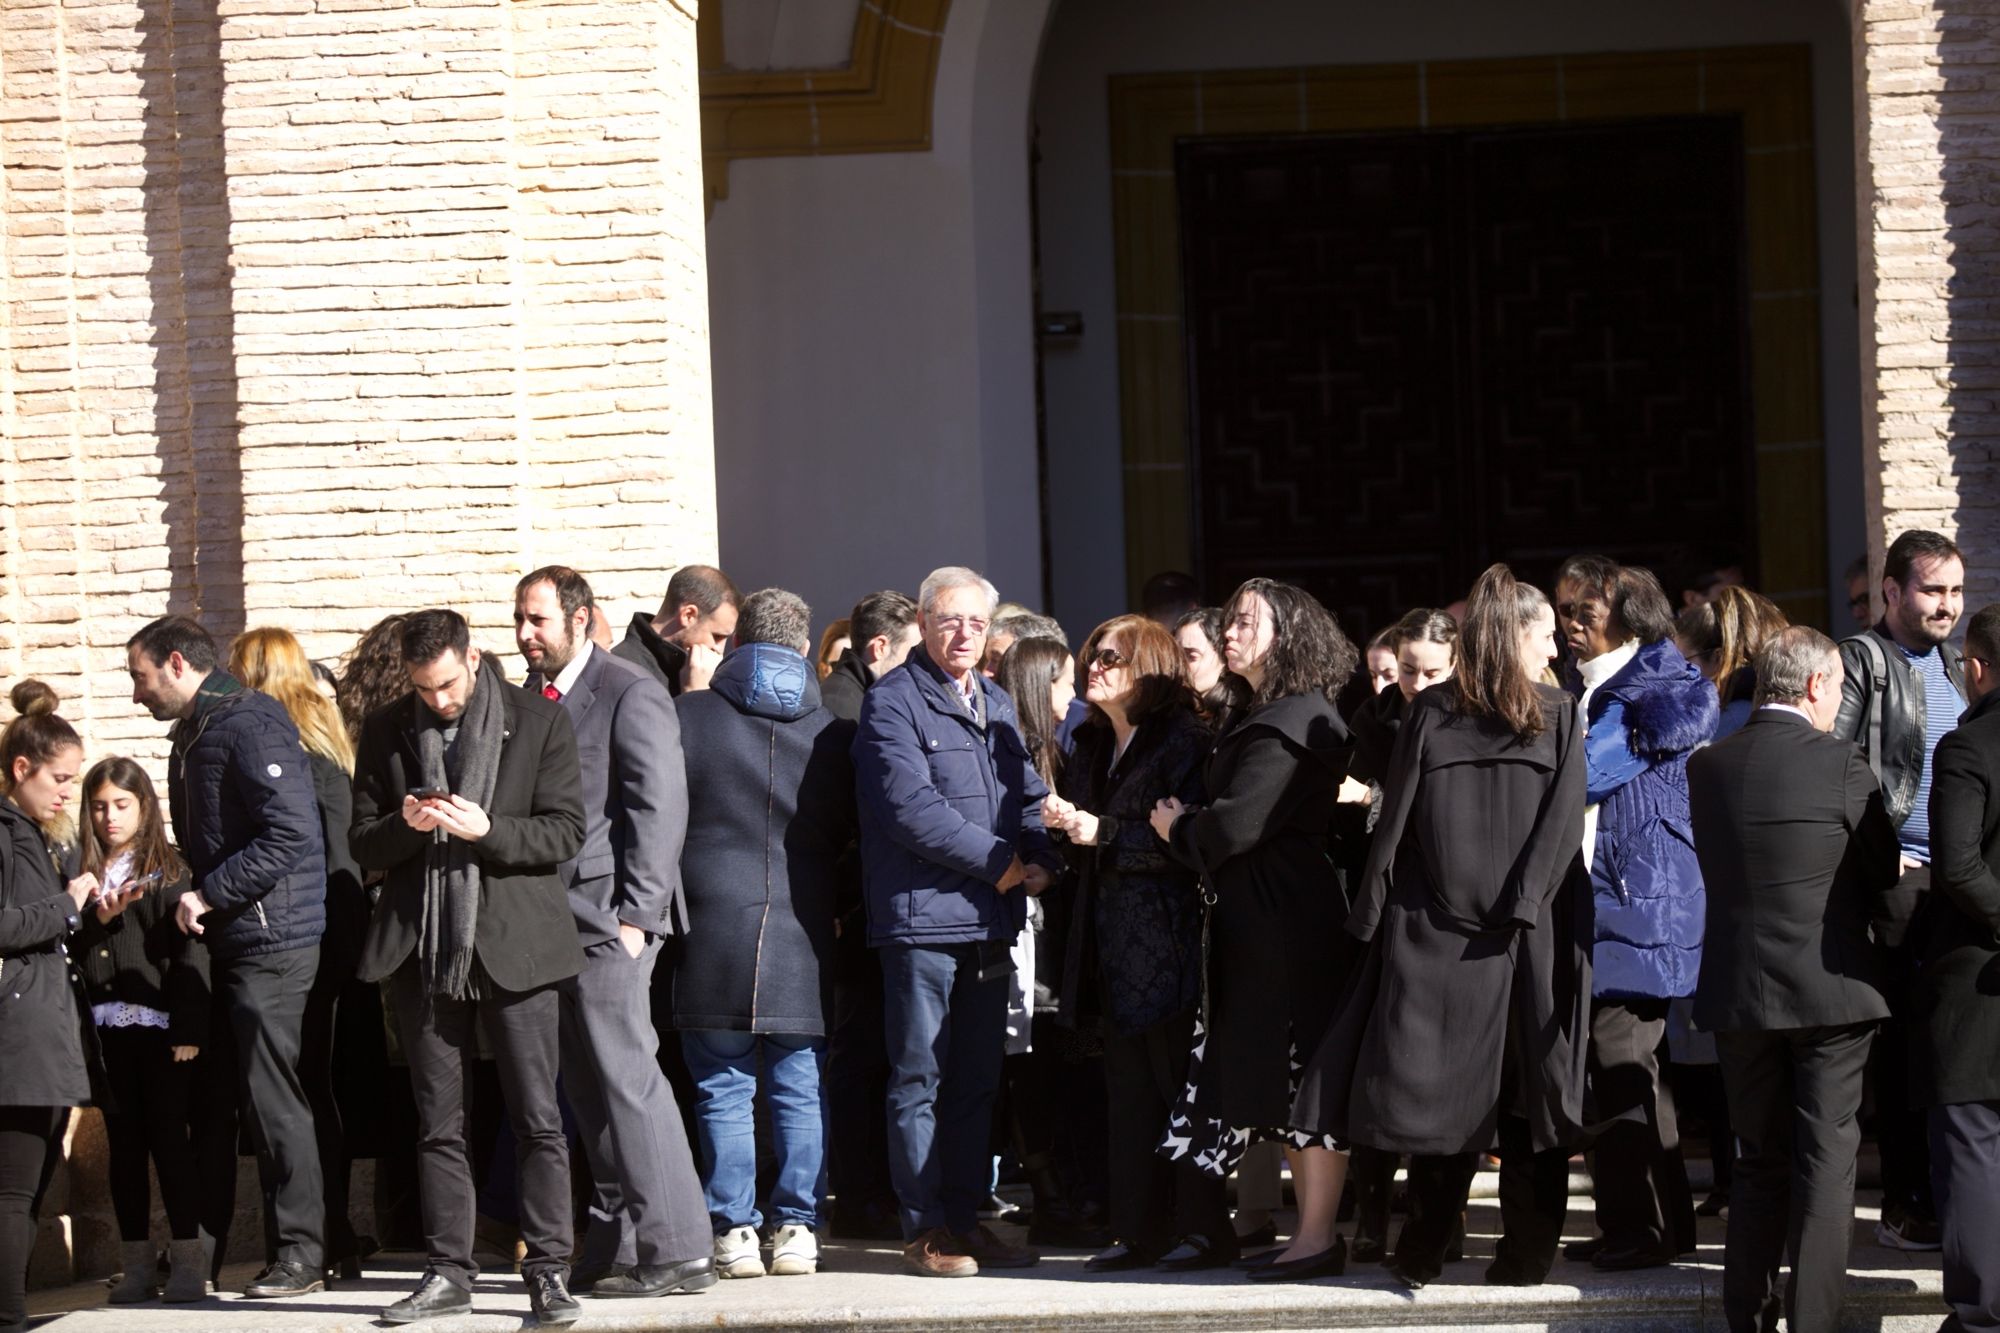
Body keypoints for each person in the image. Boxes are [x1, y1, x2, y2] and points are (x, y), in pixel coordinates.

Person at [1297, 565, 1589, 1290]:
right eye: (1545, 634)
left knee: (1443, 1096)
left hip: (1443, 931)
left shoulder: (1434, 713)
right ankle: (1522, 1258)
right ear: (1516, 635)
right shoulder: (1561, 712)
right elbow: (1560, 833)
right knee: (1528, 1097)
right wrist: (1524, 905)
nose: (1553, 650)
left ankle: (1422, 1248)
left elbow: (1395, 825)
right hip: (1533, 932)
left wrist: (1371, 921)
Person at [349, 609, 589, 1325]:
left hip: (515, 942)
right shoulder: (388, 727)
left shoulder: (538, 719)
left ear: (473, 657)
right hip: (423, 946)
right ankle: (448, 1270)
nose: (440, 701)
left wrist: (490, 831)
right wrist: (407, 826)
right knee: (438, 1122)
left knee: (538, 1116)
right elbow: (362, 839)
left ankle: (548, 1269)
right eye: (425, 689)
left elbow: (566, 830)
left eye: (448, 684)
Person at [1687, 626, 1899, 1333]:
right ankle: (1812, 1325)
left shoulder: (1707, 766)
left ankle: (1746, 1316)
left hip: (1741, 994)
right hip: (1831, 992)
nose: (1839, 701)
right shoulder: (1842, 763)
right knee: (1826, 1166)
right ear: (1814, 685)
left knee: (1758, 1161)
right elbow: (1879, 876)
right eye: (1838, 686)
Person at [851, 565, 1060, 1277]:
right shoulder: (892, 703)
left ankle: (968, 1215)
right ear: (924, 619)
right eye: (950, 620)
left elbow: (1026, 794)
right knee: (920, 1076)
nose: (964, 633)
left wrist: (1040, 857)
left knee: (977, 1078)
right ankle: (928, 1227)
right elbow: (911, 810)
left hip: (989, 922)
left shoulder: (997, 701)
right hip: (921, 926)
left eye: (976, 622)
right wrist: (1003, 861)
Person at [515, 567, 714, 1299]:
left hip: (612, 918)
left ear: (579, 618)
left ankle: (681, 1246)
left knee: (627, 1075)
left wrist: (638, 914)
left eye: (537, 619)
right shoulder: (531, 698)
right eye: (519, 619)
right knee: (586, 1084)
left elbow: (659, 806)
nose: (525, 633)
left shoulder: (629, 689)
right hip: (549, 923)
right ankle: (616, 1242)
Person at [1152, 579, 1356, 1284]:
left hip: (1287, 919)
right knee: (1283, 1078)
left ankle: (1318, 1235)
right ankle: (1309, 1233)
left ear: (1288, 635)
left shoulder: (1293, 717)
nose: (1228, 632)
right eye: (1230, 621)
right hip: (1261, 917)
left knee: (1305, 1078)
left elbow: (1237, 822)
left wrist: (1177, 826)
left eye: (1244, 622)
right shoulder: (1266, 711)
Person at [126, 616, 328, 1299]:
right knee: (263, 1099)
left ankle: (301, 1253)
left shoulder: (248, 722)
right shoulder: (198, 732)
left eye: (140, 676)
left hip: (273, 938)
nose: (135, 693)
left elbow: (291, 831)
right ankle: (300, 1250)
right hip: (241, 938)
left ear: (176, 663)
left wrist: (209, 892)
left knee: (275, 1101)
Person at [670, 589, 857, 1279]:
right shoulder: (836, 730)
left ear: (735, 641)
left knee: (721, 1082)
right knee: (798, 1082)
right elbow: (851, 836)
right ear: (804, 649)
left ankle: (734, 1231)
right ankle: (799, 1227)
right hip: (803, 924)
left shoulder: (689, 715)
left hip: (711, 920)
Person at [1038, 616, 1222, 1271]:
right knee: (1128, 1093)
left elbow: (1191, 840)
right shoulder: (1091, 743)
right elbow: (1093, 833)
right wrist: (1065, 829)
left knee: (1180, 1088)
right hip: (1108, 944)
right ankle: (1136, 1230)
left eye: (1111, 658)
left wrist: (1103, 830)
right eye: (1092, 656)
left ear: (1147, 667)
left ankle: (1203, 1229)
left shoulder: (1187, 740)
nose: (1095, 667)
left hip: (1171, 941)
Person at [1551, 559, 1712, 1271]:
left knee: (1618, 1062)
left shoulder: (1648, 687)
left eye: (1586, 608)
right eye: (1563, 608)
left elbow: (1587, 775)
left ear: (1630, 611)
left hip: (1634, 901)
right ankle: (1657, 1225)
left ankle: (1637, 1231)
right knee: (1635, 1067)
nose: (1570, 621)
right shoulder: (1594, 685)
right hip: (1613, 900)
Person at [1832, 528, 1966, 1250]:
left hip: (1955, 880)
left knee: (1949, 1046)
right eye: (1931, 590)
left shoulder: (1953, 662)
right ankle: (1907, 1198)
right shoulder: (1865, 661)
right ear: (1891, 591)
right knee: (1905, 1049)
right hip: (1899, 883)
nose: (1946, 605)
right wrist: (1883, 864)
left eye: (1953, 590)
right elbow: (1841, 769)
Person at [229, 626, 375, 1281]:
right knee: (317, 1087)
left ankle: (310, 1241)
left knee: (297, 1090)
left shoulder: (285, 747)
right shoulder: (326, 739)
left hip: (306, 938)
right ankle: (333, 1236)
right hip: (337, 939)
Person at [1334, 608, 1460, 1265]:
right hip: (1379, 906)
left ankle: (1443, 1214)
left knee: (1441, 1070)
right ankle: (1373, 1212)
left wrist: (1374, 800)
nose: (1413, 683)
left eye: (1428, 671)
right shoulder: (1375, 719)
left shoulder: (1467, 715)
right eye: (1405, 670)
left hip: (1445, 908)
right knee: (1377, 1066)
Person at [75, 757, 208, 1305]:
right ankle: (135, 1263)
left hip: (160, 1034)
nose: (110, 817)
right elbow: (73, 951)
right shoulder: (81, 876)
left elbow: (191, 951)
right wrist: (93, 919)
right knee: (124, 1152)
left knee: (169, 1146)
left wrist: (190, 1026)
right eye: (100, 806)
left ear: (144, 807)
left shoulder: (168, 872)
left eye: (122, 805)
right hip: (108, 1037)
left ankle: (187, 1261)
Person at [818, 588, 921, 1241]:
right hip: (857, 913)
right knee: (862, 1057)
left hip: (857, 907)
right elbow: (844, 825)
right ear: (879, 648)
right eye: (912, 652)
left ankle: (867, 1192)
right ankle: (862, 1195)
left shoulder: (850, 703)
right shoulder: (850, 714)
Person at [0, 684, 100, 1333]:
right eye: (59, 778)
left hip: (44, 1029)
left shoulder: (38, 835)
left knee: (29, 1184)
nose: (68, 792)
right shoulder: (5, 833)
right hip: (18, 1032)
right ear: (21, 769)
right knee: (13, 1186)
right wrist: (66, 904)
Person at [1916, 601, 2000, 1331]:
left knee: (1972, 1138)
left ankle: (1979, 1315)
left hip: (1979, 978)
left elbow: (1959, 865)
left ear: (1974, 669)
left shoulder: (1969, 745)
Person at [1674, 586, 1789, 740]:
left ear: (1718, 658)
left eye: (1682, 661)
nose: (1675, 672)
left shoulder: (1731, 722)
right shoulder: (1786, 712)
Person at [614, 564, 741, 697]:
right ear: (688, 615)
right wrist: (695, 696)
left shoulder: (707, 670)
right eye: (717, 636)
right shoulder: (622, 673)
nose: (719, 649)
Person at [822, 590, 922, 725]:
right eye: (912, 652)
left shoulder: (868, 697)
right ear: (880, 648)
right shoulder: (839, 708)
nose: (919, 663)